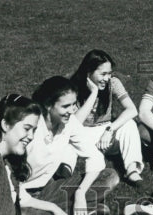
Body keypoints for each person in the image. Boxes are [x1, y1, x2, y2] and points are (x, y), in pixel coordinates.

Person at [23, 75, 120, 215]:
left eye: (74, 104)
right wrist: (51, 207)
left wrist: (80, 193)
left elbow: (94, 155)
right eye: (66, 106)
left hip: (48, 189)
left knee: (110, 176)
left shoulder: (69, 124)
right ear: (48, 105)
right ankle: (73, 214)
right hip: (21, 194)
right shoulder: (29, 128)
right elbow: (11, 185)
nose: (73, 110)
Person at [58, 49, 144, 185]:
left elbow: (132, 110)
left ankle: (132, 170)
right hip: (82, 133)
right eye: (103, 74)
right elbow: (75, 123)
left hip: (105, 133)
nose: (107, 78)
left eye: (109, 73)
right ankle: (63, 174)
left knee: (130, 124)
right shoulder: (74, 87)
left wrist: (110, 130)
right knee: (68, 140)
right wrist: (94, 93)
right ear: (88, 72)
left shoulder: (113, 83)